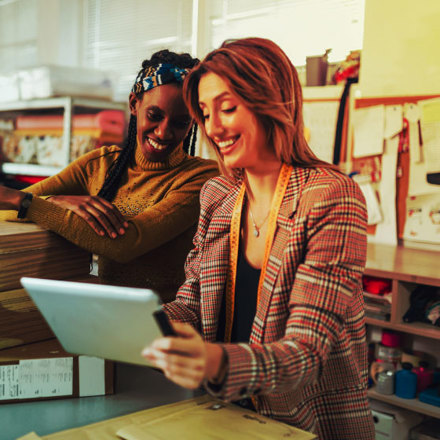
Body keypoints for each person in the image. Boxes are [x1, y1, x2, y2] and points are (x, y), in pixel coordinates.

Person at [142, 38, 375, 439]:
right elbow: (194, 304)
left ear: (271, 101)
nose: (214, 128)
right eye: (205, 112)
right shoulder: (218, 196)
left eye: (227, 108)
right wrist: (141, 324)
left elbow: (305, 354)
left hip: (308, 424)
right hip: (224, 415)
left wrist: (213, 361)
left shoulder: (330, 196)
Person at [0, 50, 218, 303]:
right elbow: (5, 208)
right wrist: (53, 200)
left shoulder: (202, 178)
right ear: (134, 104)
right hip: (105, 316)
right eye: (155, 116)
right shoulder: (100, 164)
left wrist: (27, 202)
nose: (163, 132)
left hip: (165, 326)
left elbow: (125, 243)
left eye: (181, 123)